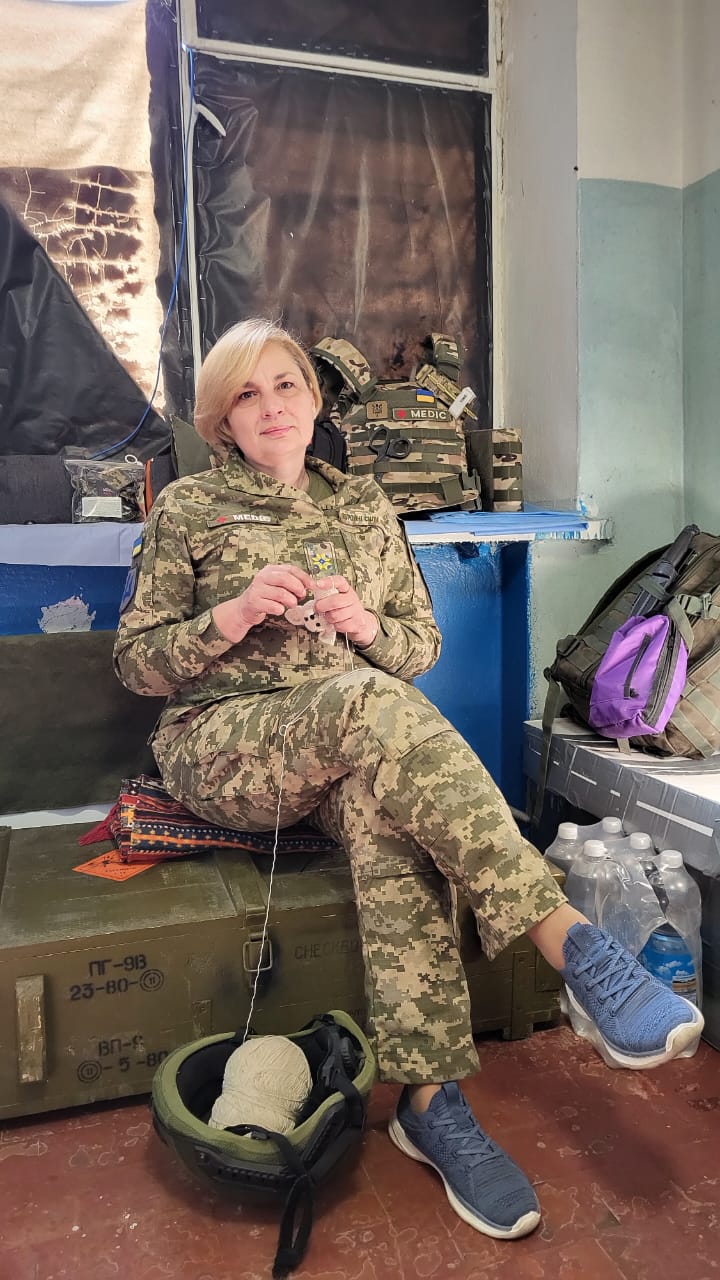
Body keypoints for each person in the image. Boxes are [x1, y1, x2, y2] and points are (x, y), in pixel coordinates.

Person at [114, 318, 704, 1242]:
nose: (272, 407)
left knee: (392, 814)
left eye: (286, 385)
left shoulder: (364, 506)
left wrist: (365, 626)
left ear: (314, 399)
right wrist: (229, 616)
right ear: (222, 420)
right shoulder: (191, 507)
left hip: (348, 743)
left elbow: (417, 648)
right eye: (247, 394)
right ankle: (576, 949)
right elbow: (136, 665)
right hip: (224, 745)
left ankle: (431, 1102)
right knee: (369, 705)